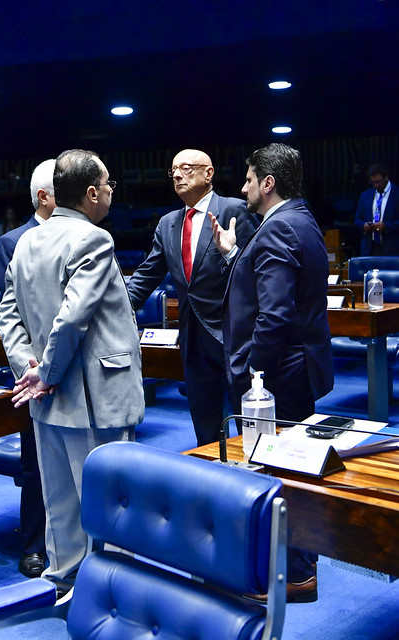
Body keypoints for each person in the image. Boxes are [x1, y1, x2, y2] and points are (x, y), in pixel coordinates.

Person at [0, 149, 144, 594]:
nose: (112, 191)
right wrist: (46, 373)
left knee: (59, 503)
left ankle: (63, 584)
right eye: (109, 183)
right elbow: (73, 317)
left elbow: (8, 315)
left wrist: (29, 369)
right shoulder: (93, 238)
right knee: (110, 504)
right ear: (92, 193)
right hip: (94, 395)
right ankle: (111, 594)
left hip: (46, 397)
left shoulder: (27, 240)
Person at [209, 143, 334, 603]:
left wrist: (250, 373)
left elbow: (275, 315)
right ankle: (298, 566)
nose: (242, 189)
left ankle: (296, 574)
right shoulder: (299, 218)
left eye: (248, 180)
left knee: (282, 473)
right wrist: (234, 255)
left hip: (278, 375)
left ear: (268, 183)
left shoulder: (278, 227)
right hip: (297, 367)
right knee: (291, 469)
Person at [127, 148, 258, 446]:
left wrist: (230, 254)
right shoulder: (168, 223)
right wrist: (115, 309)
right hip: (192, 336)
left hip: (234, 333)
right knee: (205, 422)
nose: (177, 175)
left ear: (208, 173)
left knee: (247, 419)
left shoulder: (235, 210)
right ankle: (211, 469)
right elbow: (147, 275)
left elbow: (253, 270)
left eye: (186, 168)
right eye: (173, 170)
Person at [0, 159, 56, 579]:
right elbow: (11, 312)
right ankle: (35, 544)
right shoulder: (12, 241)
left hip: (75, 366)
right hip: (34, 369)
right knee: (35, 461)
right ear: (44, 196)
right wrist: (32, 368)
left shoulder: (84, 235)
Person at [354, 163, 399, 256]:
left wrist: (386, 226)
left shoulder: (396, 194)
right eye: (373, 182)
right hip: (370, 248)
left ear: (386, 177)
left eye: (378, 181)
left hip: (392, 248)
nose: (376, 185)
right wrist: (364, 225)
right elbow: (357, 220)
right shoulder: (365, 196)